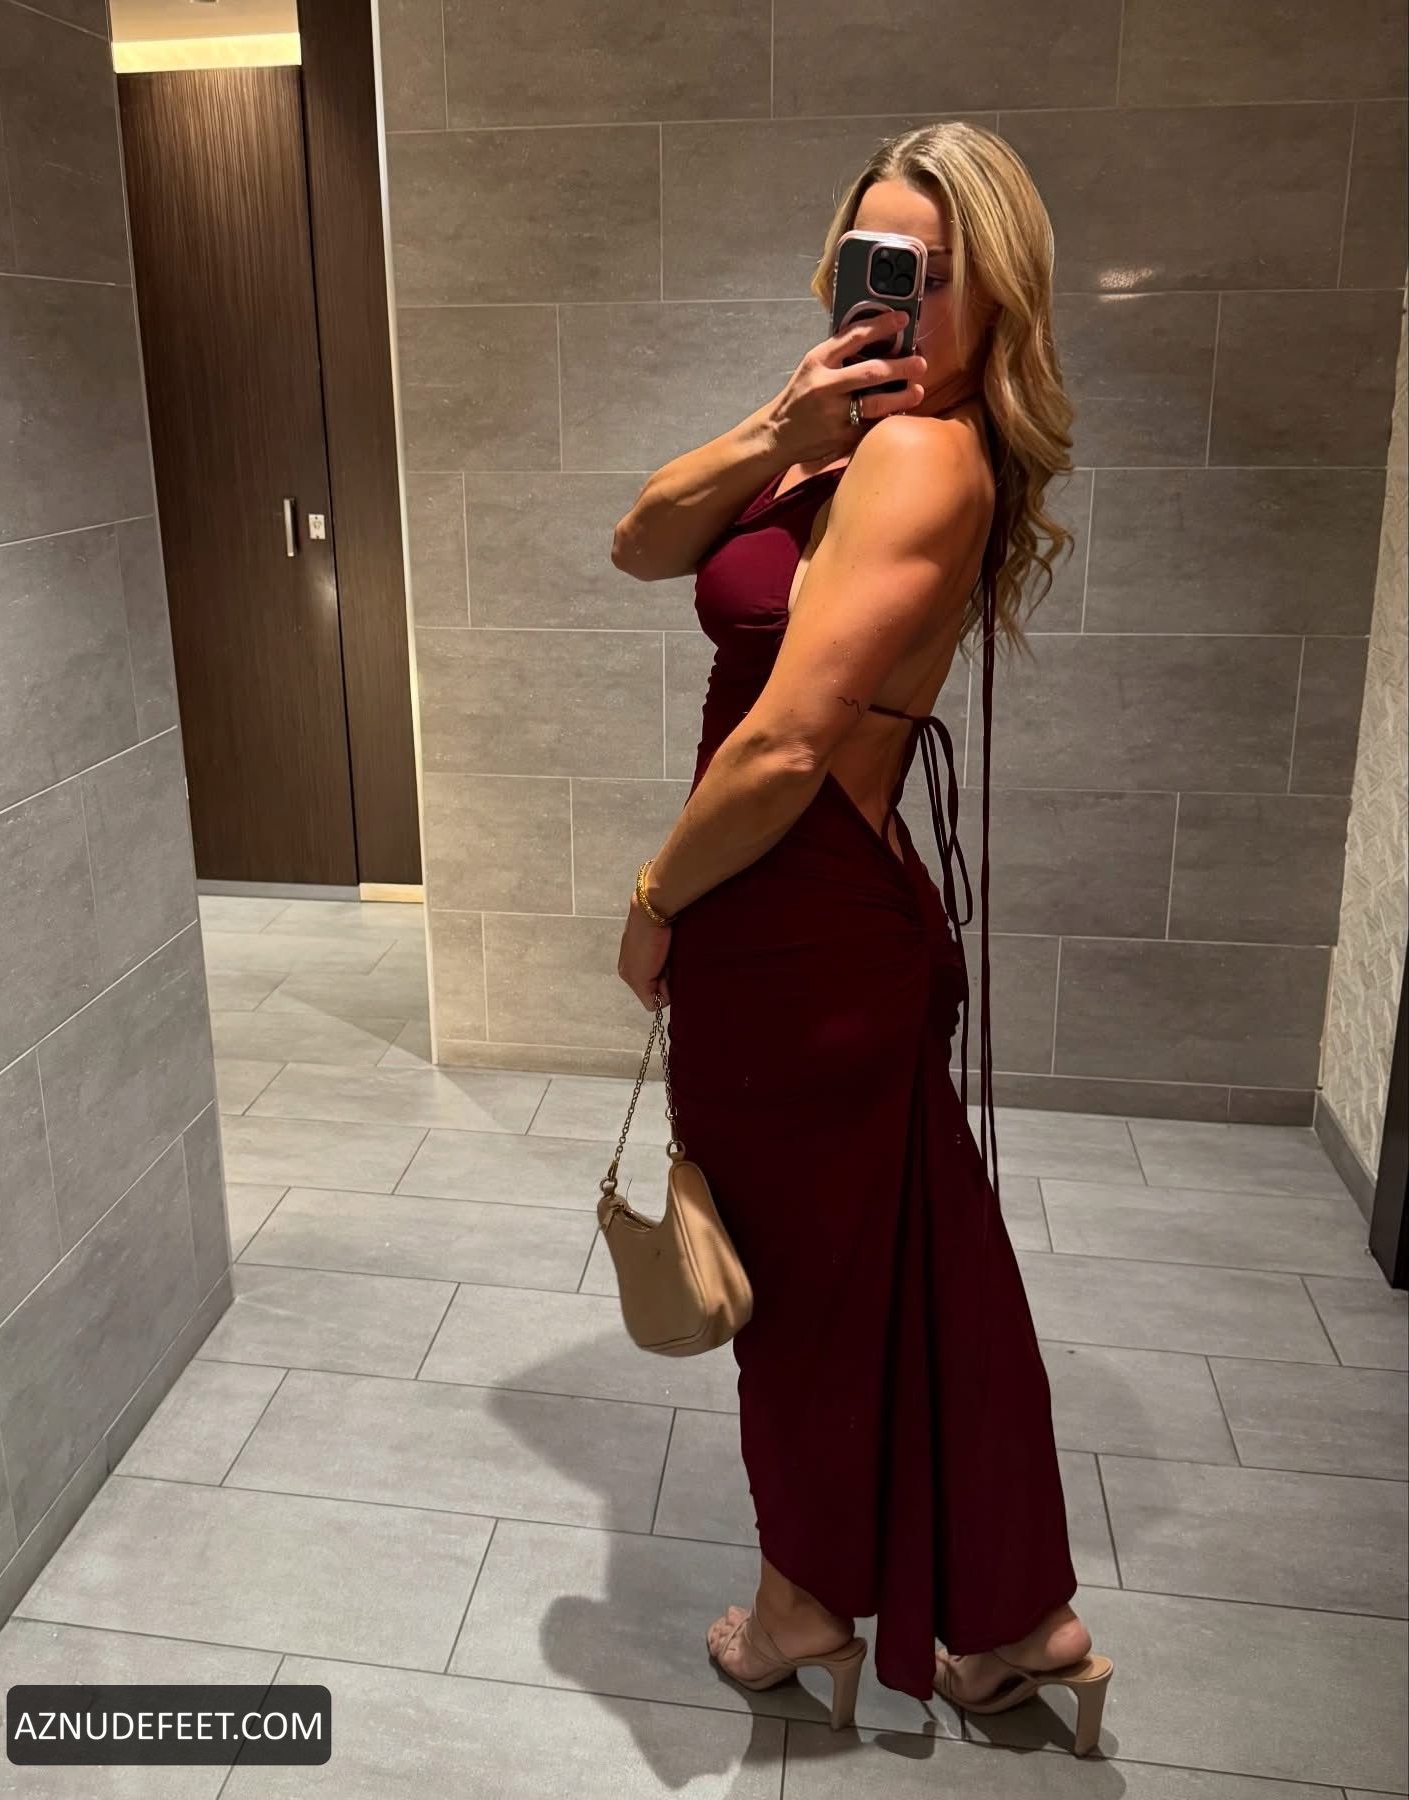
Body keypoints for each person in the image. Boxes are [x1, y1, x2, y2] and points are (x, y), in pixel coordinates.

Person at [611, 121, 1111, 1749]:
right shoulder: (840, 438)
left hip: (789, 911)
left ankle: (805, 1608)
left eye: (936, 274)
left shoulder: (918, 460)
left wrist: (653, 902)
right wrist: (782, 421)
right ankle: (1016, 1621)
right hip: (823, 910)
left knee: (798, 1290)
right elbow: (643, 539)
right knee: (916, 1265)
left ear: (1000, 297)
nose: (898, 297)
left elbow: (779, 747)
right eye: (871, 262)